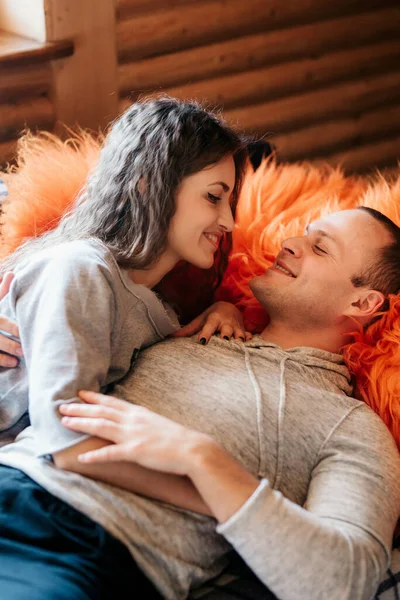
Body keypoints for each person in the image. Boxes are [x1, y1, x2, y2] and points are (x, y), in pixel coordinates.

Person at [0, 205, 400, 600]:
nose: (291, 243)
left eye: (320, 248)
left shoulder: (351, 426)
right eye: (304, 233)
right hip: (13, 472)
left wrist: (202, 459)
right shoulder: (181, 323)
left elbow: (347, 581)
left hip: (86, 550)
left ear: (363, 304)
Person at [0, 96, 251, 599]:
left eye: (230, 202)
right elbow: (68, 443)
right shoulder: (80, 268)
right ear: (147, 184)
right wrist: (229, 506)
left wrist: (230, 309)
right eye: (213, 197)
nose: (229, 221)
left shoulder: (150, 310)